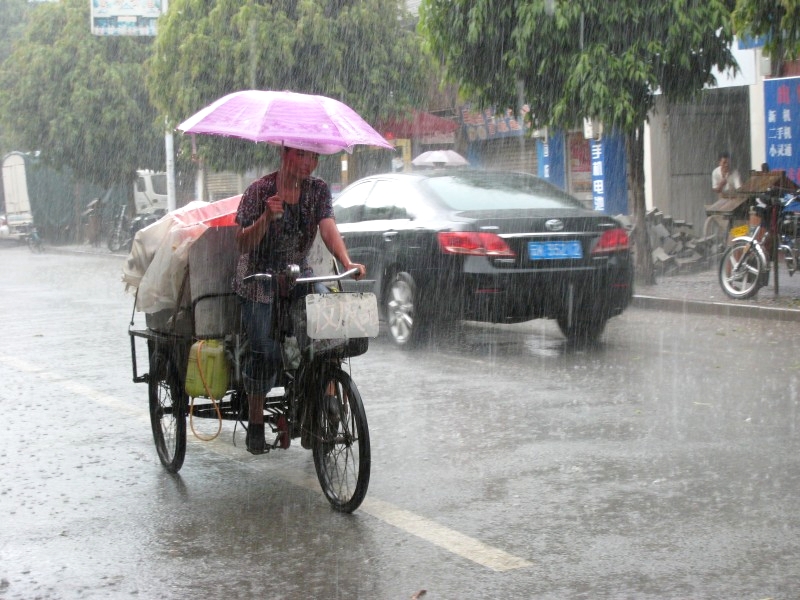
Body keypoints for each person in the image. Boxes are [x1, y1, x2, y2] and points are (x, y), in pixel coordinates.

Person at [232, 146, 366, 455]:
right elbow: (241, 243)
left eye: (314, 157)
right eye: (301, 155)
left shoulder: (317, 189)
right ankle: (255, 422)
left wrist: (346, 262)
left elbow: (328, 227)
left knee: (328, 335)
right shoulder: (259, 190)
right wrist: (267, 216)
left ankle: (324, 398)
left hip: (298, 275)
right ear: (284, 152)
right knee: (263, 349)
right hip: (257, 278)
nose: (309, 163)